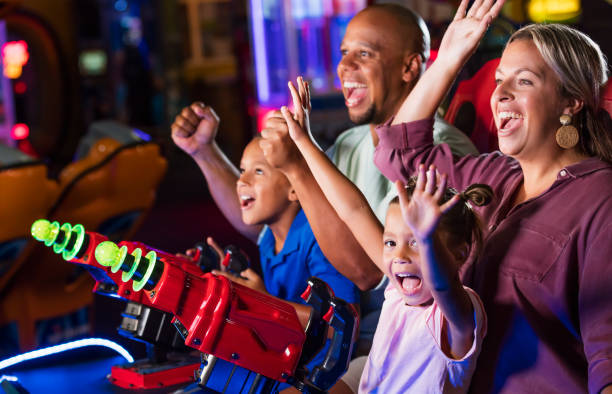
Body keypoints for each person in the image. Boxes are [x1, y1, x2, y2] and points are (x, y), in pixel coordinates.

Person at [372, 0, 612, 392]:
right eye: (499, 80)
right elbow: (397, 154)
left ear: (570, 101)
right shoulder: (493, 173)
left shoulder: (600, 199)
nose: (500, 93)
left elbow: (608, 352)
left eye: (524, 81)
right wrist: (449, 58)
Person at [275, 79, 490, 392]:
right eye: (391, 242)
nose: (400, 255)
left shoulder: (457, 314)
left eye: (416, 242)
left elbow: (443, 283)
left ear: (460, 252)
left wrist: (427, 238)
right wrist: (304, 140)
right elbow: (354, 210)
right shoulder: (396, 287)